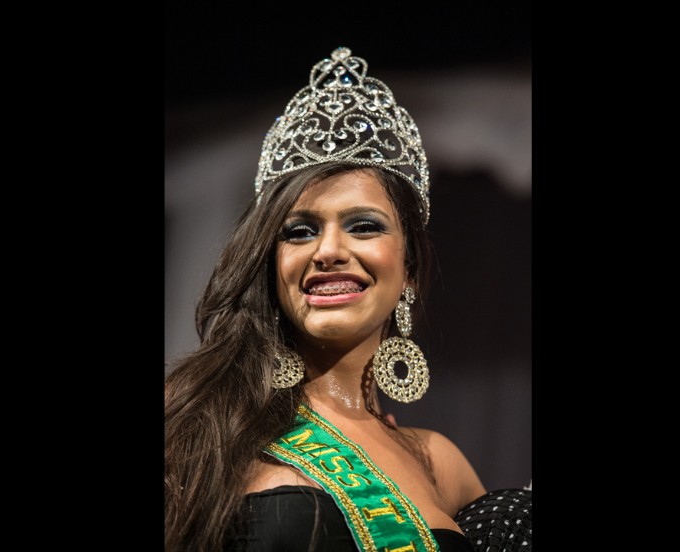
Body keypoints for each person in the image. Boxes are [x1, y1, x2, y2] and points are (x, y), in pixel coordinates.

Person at [165, 46, 531, 552]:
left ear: (410, 272)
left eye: (363, 226)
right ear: (271, 267)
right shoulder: (198, 419)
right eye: (299, 231)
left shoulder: (438, 461)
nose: (329, 250)